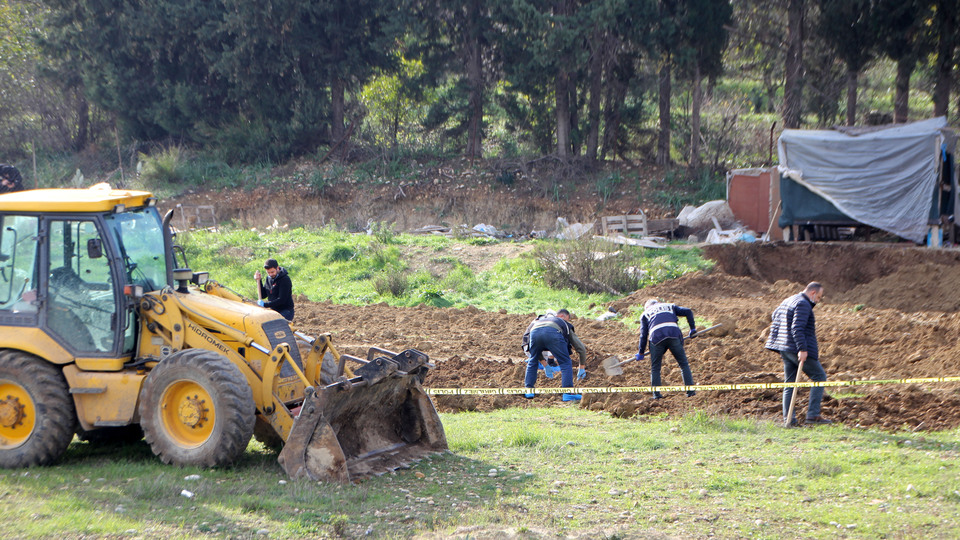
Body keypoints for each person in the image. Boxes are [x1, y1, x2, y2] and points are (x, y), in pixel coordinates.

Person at [765, 282, 832, 426]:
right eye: (819, 297)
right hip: (796, 349)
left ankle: (789, 420)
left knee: (790, 383)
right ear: (812, 293)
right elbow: (797, 327)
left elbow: (774, 315)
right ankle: (813, 416)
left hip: (784, 348)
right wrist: (802, 349)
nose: (818, 301)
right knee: (819, 376)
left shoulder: (789, 300)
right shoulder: (803, 304)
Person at [635, 298, 697, 399]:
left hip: (656, 338)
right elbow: (688, 311)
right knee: (683, 364)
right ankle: (690, 392)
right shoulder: (669, 306)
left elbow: (643, 335)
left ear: (647, 307)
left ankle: (657, 395)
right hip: (673, 334)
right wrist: (693, 328)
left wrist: (641, 352)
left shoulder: (645, 314)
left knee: (655, 368)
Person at [522, 308, 588, 401]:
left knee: (532, 360)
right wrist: (581, 368)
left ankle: (529, 390)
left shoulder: (537, 321)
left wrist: (545, 364)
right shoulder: (564, 324)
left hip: (534, 333)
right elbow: (581, 348)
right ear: (562, 317)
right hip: (553, 333)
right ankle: (568, 393)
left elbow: (534, 351)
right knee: (565, 362)